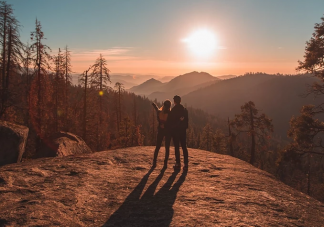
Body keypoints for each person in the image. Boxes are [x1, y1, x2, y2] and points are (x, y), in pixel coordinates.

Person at [168, 95, 189, 170]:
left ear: (175, 101)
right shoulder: (184, 110)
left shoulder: (173, 110)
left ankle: (178, 163)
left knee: (177, 147)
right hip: (183, 131)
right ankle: (186, 164)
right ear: (180, 101)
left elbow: (171, 122)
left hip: (176, 131)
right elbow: (187, 121)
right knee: (184, 147)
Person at [152, 100, 172, 168]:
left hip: (160, 131)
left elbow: (157, 109)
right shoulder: (170, 113)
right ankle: (165, 163)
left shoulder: (159, 112)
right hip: (168, 132)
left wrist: (154, 105)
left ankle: (154, 161)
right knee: (167, 147)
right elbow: (170, 123)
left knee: (158, 146)